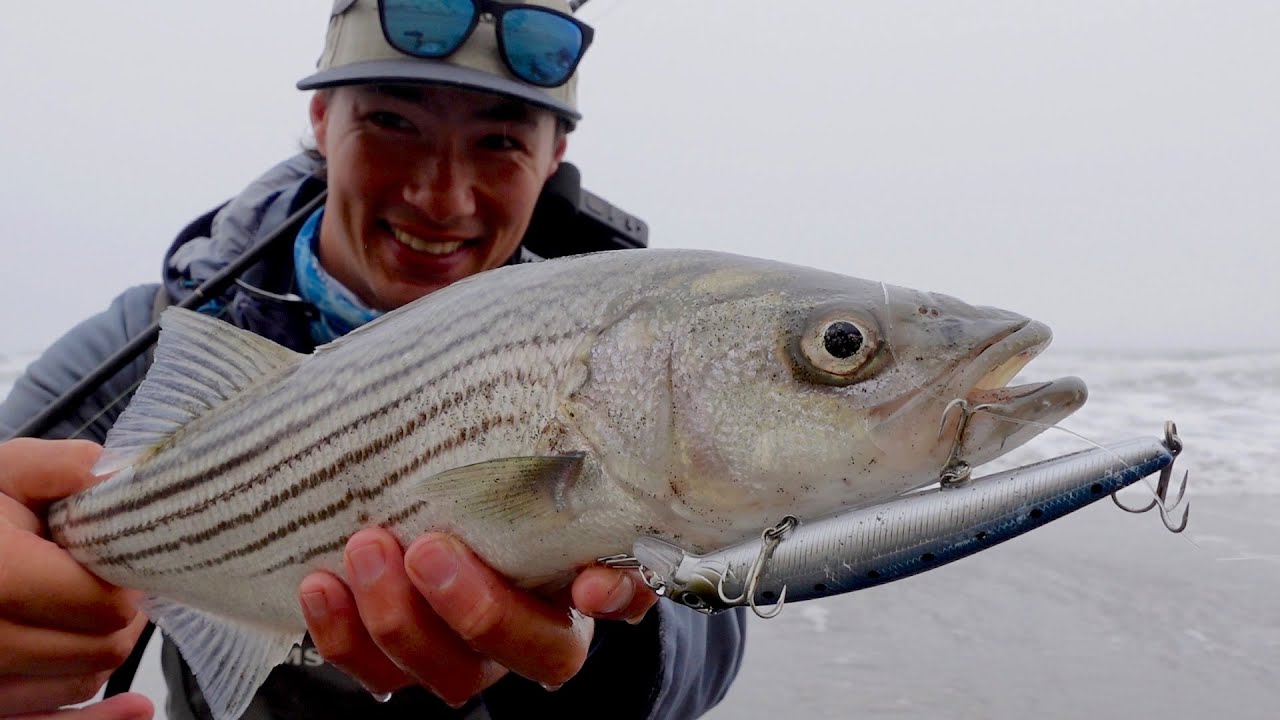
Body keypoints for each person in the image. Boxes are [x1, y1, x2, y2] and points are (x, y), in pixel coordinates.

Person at [0, 1, 747, 718]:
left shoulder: (633, 343)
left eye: (501, 142)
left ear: (554, 158)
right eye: (392, 122)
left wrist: (603, 633)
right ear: (322, 123)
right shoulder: (162, 331)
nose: (440, 196)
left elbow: (707, 651)